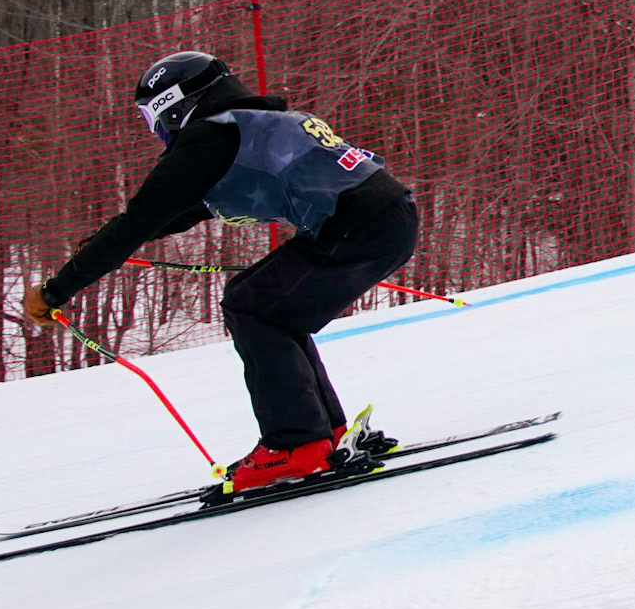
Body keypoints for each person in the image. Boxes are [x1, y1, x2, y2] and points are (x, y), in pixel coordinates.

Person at [21, 52, 418, 492]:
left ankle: (296, 445)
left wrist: (56, 290)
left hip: (360, 225)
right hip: (385, 215)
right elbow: (180, 209)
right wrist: (102, 244)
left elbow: (140, 218)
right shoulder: (242, 124)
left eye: (152, 119)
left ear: (172, 106)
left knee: (254, 308)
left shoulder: (209, 137)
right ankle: (323, 434)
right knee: (259, 302)